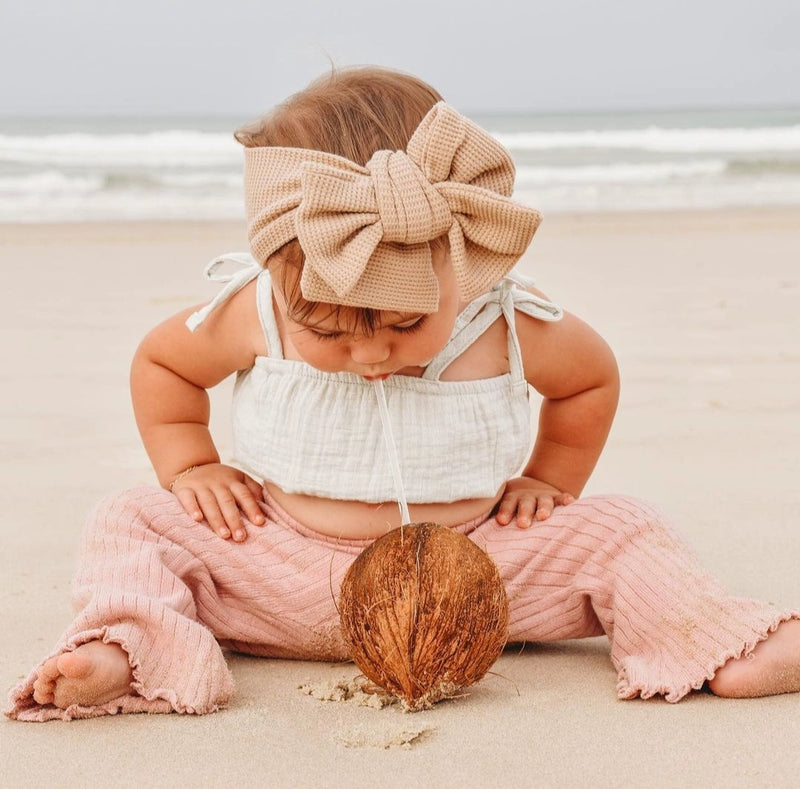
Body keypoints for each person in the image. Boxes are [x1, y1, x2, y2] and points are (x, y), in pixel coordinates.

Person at [7, 66, 800, 722]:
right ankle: (130, 645)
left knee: (625, 527)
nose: (370, 354)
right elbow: (164, 366)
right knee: (128, 515)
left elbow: (590, 377)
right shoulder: (252, 310)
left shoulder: (505, 319)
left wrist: (551, 482)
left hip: (477, 576)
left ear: (458, 258)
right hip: (274, 570)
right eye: (331, 333)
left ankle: (715, 642)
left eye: (403, 322)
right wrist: (190, 466)